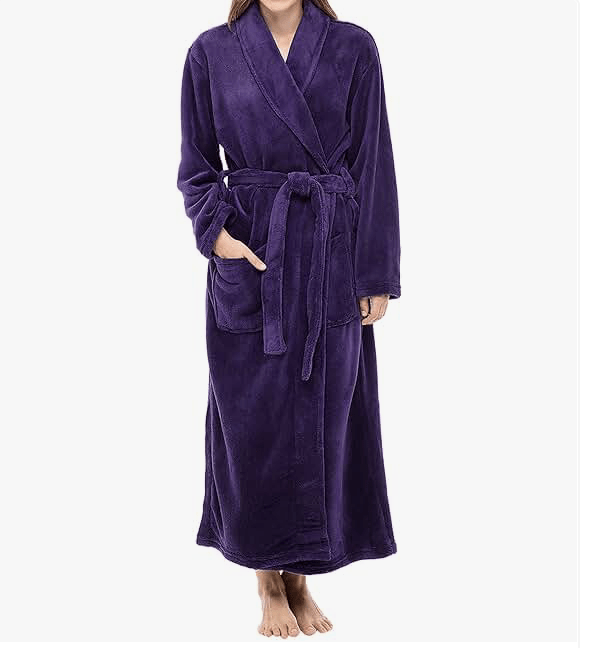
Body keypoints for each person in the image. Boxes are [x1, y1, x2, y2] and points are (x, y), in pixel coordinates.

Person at [176, 0, 401, 638]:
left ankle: (300, 576)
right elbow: (197, 165)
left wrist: (375, 272)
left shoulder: (354, 47)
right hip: (255, 254)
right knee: (252, 422)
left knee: (326, 414)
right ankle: (266, 580)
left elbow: (374, 162)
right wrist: (219, 235)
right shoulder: (210, 51)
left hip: (332, 255)